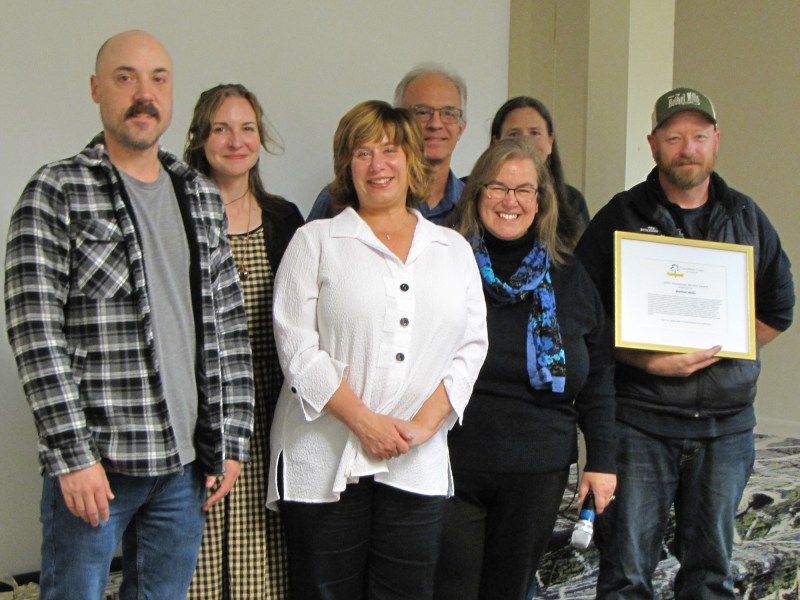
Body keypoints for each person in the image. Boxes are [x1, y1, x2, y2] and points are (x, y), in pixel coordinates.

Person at [3, 31, 254, 600]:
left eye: (158, 78)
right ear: (97, 89)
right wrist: (72, 456)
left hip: (187, 467)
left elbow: (228, 328)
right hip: (98, 468)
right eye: (125, 77)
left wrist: (231, 439)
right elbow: (34, 331)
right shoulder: (56, 190)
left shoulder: (198, 194)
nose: (144, 93)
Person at [575, 87, 795, 599]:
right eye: (674, 137)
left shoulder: (747, 217)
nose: (687, 148)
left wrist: (734, 349)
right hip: (640, 425)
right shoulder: (620, 217)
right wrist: (649, 360)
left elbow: (779, 309)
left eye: (698, 136)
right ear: (653, 144)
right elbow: (584, 319)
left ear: (716, 141)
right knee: (626, 573)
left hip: (726, 431)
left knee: (710, 575)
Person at [267, 100, 488, 600]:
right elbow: (297, 347)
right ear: (347, 166)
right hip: (322, 458)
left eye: (389, 150)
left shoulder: (453, 250)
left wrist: (424, 427)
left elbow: (472, 347)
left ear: (412, 160)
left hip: (417, 458)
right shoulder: (316, 240)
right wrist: (365, 422)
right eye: (362, 152)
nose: (376, 164)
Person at [434, 138, 617, 600]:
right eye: (497, 187)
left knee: (509, 591)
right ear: (476, 195)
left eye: (524, 190)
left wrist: (602, 461)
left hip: (538, 468)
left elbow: (597, 380)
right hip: (452, 461)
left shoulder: (571, 278)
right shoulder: (444, 267)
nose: (510, 201)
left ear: (541, 202)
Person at [184, 84, 303, 599]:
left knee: (264, 563)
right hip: (200, 414)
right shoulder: (177, 212)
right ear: (199, 138)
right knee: (194, 560)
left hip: (270, 414)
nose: (236, 140)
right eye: (221, 128)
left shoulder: (285, 218)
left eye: (247, 128)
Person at [305, 63, 468, 224]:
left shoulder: (474, 204)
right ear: (399, 123)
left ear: (461, 127)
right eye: (422, 112)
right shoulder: (337, 198)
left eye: (449, 113)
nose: (436, 124)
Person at [488, 96, 590, 249]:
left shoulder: (572, 201)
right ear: (496, 142)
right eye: (514, 134)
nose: (525, 141)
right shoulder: (470, 190)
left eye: (534, 133)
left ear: (550, 142)